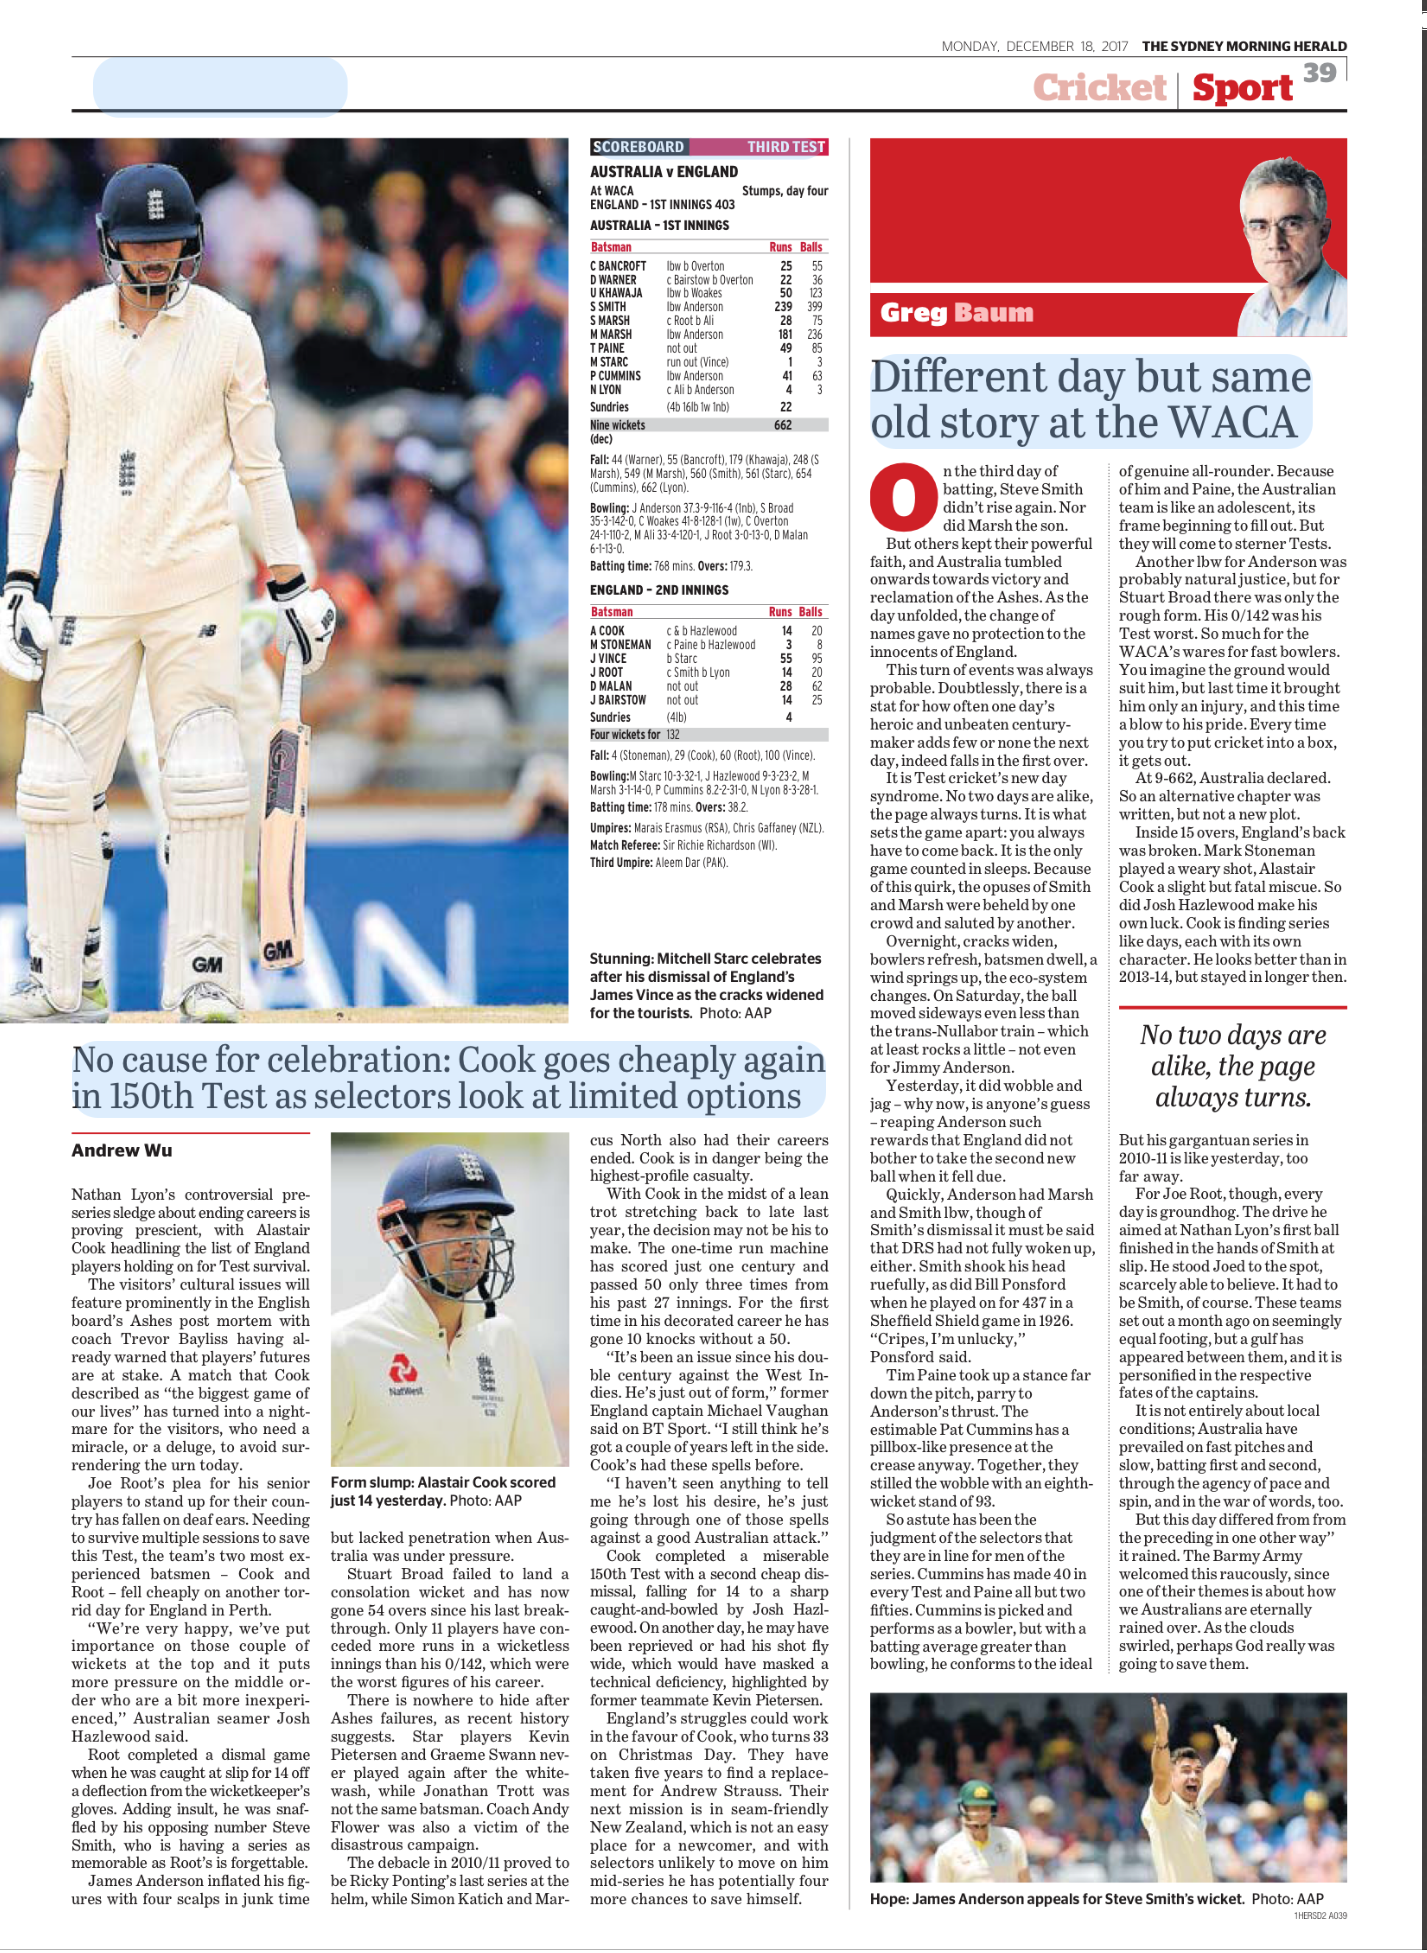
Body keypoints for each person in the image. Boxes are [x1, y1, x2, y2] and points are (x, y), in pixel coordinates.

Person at [0, 161, 334, 1023]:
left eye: (170, 242)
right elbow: (37, 465)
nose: (155, 259)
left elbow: (261, 464)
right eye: (141, 244)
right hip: (91, 587)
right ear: (109, 244)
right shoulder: (67, 333)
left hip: (197, 589)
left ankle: (207, 975)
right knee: (58, 782)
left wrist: (292, 583)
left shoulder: (228, 331)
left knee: (206, 777)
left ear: (194, 242)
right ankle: (61, 978)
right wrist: (20, 581)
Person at [331, 1143, 562, 1469]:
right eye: (452, 1222)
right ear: (400, 1234)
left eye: (483, 1223)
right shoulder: (342, 1343)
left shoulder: (505, 1341)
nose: (473, 1238)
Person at [1237, 157, 1346, 337]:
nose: (1275, 243)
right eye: (1260, 226)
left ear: (1323, 232)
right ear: (1247, 236)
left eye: (1291, 224)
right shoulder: (1251, 314)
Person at [1142, 1696, 1236, 1882]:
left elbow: (1213, 1776)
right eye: (1185, 1771)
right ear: (1172, 1777)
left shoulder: (1195, 1801)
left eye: (1197, 1771)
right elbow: (1160, 1774)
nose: (1193, 1776)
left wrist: (1225, 1749)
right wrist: (1161, 1739)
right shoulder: (1163, 1807)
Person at [932, 1781, 1030, 1883]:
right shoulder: (947, 1851)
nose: (981, 1813)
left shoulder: (1012, 1838)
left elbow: (1025, 1881)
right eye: (975, 1807)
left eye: (985, 1807)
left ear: (992, 1809)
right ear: (963, 1809)